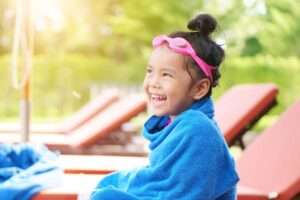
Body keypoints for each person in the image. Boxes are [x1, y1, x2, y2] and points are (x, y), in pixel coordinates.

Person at [91, 13, 239, 200]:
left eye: (166, 75)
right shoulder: (175, 123)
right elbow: (163, 178)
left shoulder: (199, 130)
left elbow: (182, 194)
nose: (153, 82)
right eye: (150, 71)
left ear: (199, 88)